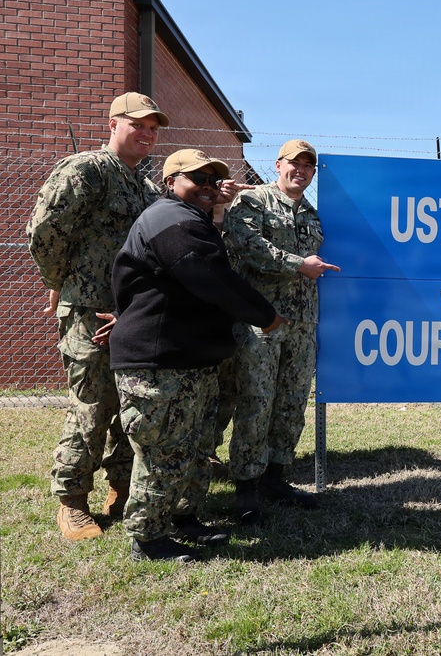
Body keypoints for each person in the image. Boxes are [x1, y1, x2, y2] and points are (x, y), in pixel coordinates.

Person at [110, 149, 283, 562]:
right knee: (164, 450)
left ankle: (184, 518)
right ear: (170, 182)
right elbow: (208, 276)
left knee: (194, 447)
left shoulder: (191, 220)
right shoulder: (172, 220)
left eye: (211, 180)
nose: (207, 186)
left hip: (188, 359)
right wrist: (266, 316)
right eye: (196, 179)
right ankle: (147, 538)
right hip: (159, 363)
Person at [27, 92, 168, 540]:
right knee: (93, 405)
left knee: (131, 403)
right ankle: (71, 501)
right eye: (137, 124)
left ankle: (121, 487)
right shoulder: (85, 170)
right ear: (112, 124)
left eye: (153, 128)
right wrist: (63, 284)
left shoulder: (144, 186)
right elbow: (44, 233)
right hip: (89, 309)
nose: (146, 133)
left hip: (133, 312)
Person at [225, 139, 339, 524]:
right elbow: (248, 247)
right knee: (256, 402)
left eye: (308, 166)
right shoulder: (253, 202)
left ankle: (275, 478)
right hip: (262, 321)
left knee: (291, 403)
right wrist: (297, 264)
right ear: (278, 164)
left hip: (303, 324)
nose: (301, 170)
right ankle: (245, 488)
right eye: (295, 163)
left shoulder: (312, 213)